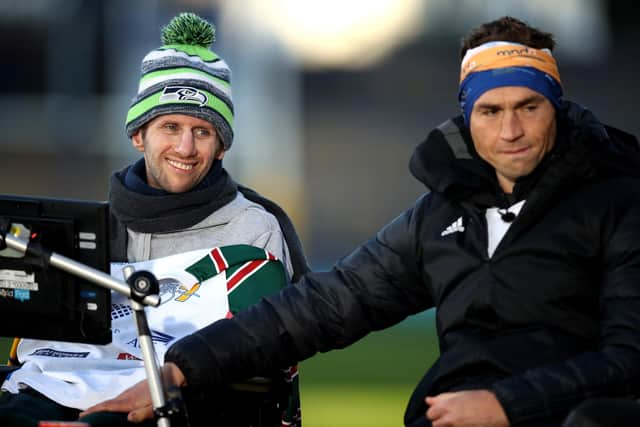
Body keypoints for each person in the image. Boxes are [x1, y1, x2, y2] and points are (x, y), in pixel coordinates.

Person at [84, 15, 640, 427]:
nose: (510, 130)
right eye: (491, 112)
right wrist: (179, 370)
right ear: (469, 120)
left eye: (529, 107)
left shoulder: (618, 203)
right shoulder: (441, 214)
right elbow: (324, 305)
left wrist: (506, 405)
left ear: (557, 109)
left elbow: (629, 358)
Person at [0, 12, 307, 427]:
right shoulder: (95, 226)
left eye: (203, 132)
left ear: (221, 147)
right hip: (66, 388)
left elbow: (267, 357)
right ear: (138, 134)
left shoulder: (254, 229)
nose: (185, 146)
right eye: (170, 126)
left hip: (187, 405)